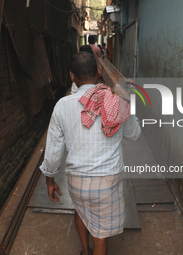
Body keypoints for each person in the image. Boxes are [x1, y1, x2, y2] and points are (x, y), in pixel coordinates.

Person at [40, 52, 141, 255]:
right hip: (107, 182)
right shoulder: (117, 101)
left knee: (81, 211)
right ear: (99, 71)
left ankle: (85, 251)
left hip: (77, 182)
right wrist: (129, 105)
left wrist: (50, 180)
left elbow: (52, 151)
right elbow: (134, 135)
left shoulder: (62, 105)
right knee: (100, 236)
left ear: (72, 76)